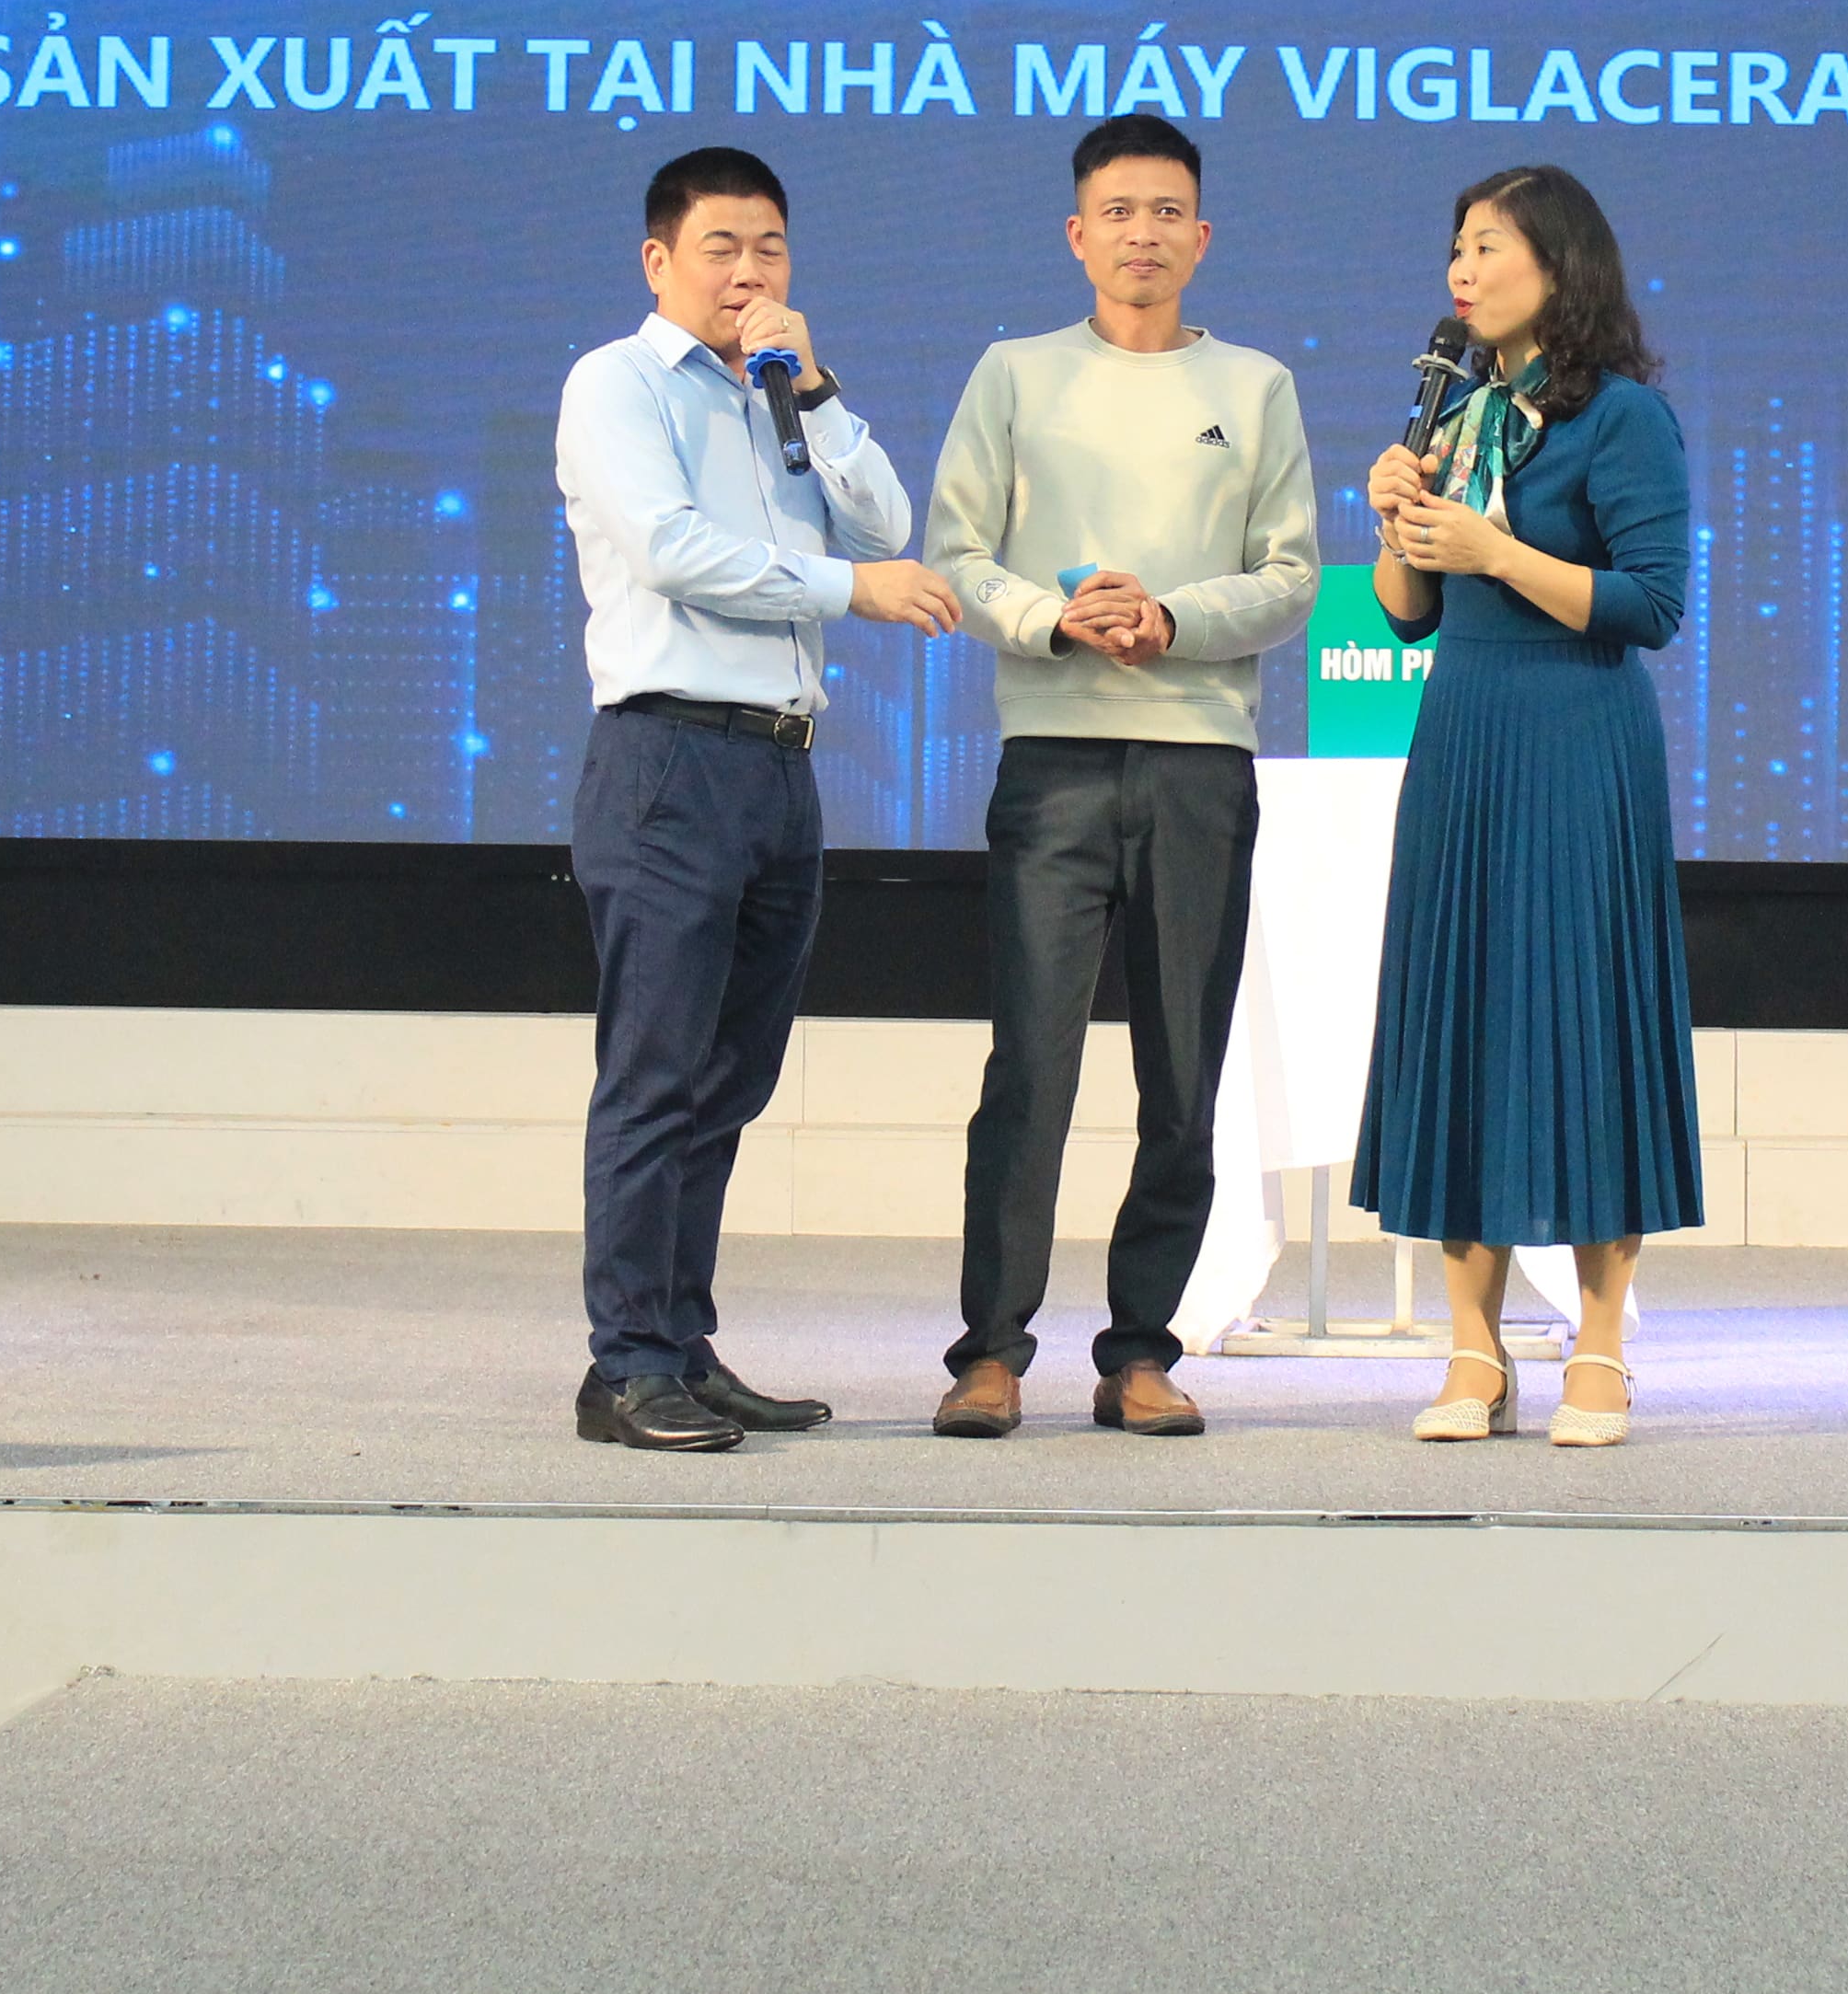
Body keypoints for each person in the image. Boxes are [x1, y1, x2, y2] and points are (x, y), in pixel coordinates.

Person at [554, 145, 964, 1450]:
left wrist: (816, 389)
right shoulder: (616, 384)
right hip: (668, 760)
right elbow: (673, 551)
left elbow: (884, 519)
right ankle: (625, 1366)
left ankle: (681, 1342)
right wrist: (853, 592)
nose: (749, 270)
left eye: (770, 247)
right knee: (657, 1074)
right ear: (658, 260)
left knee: (730, 1078)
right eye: (721, 246)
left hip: (780, 767)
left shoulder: (776, 392)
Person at [922, 114, 1320, 1439]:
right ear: (1076, 234)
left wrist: (1174, 619)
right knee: (1028, 1067)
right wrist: (1054, 619)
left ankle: (1143, 1349)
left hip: (1201, 757)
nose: (1141, 234)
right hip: (1053, 756)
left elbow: (1291, 576)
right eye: (1117, 211)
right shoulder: (1014, 374)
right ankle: (990, 1351)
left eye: (1165, 212)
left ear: (1201, 237)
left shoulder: (1255, 386)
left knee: (1183, 1073)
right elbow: (956, 551)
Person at [1355, 162, 1701, 1449]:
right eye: (1457, 245)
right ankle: (1473, 1348)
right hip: (1465, 737)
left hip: (1578, 740)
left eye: (1490, 244)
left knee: (1584, 1021)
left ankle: (1600, 1348)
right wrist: (1396, 521)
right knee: (1463, 1016)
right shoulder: (1458, 414)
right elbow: (1409, 615)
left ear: (1561, 265)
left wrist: (1497, 549)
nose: (1463, 267)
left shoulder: (1622, 418)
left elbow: (1651, 606)